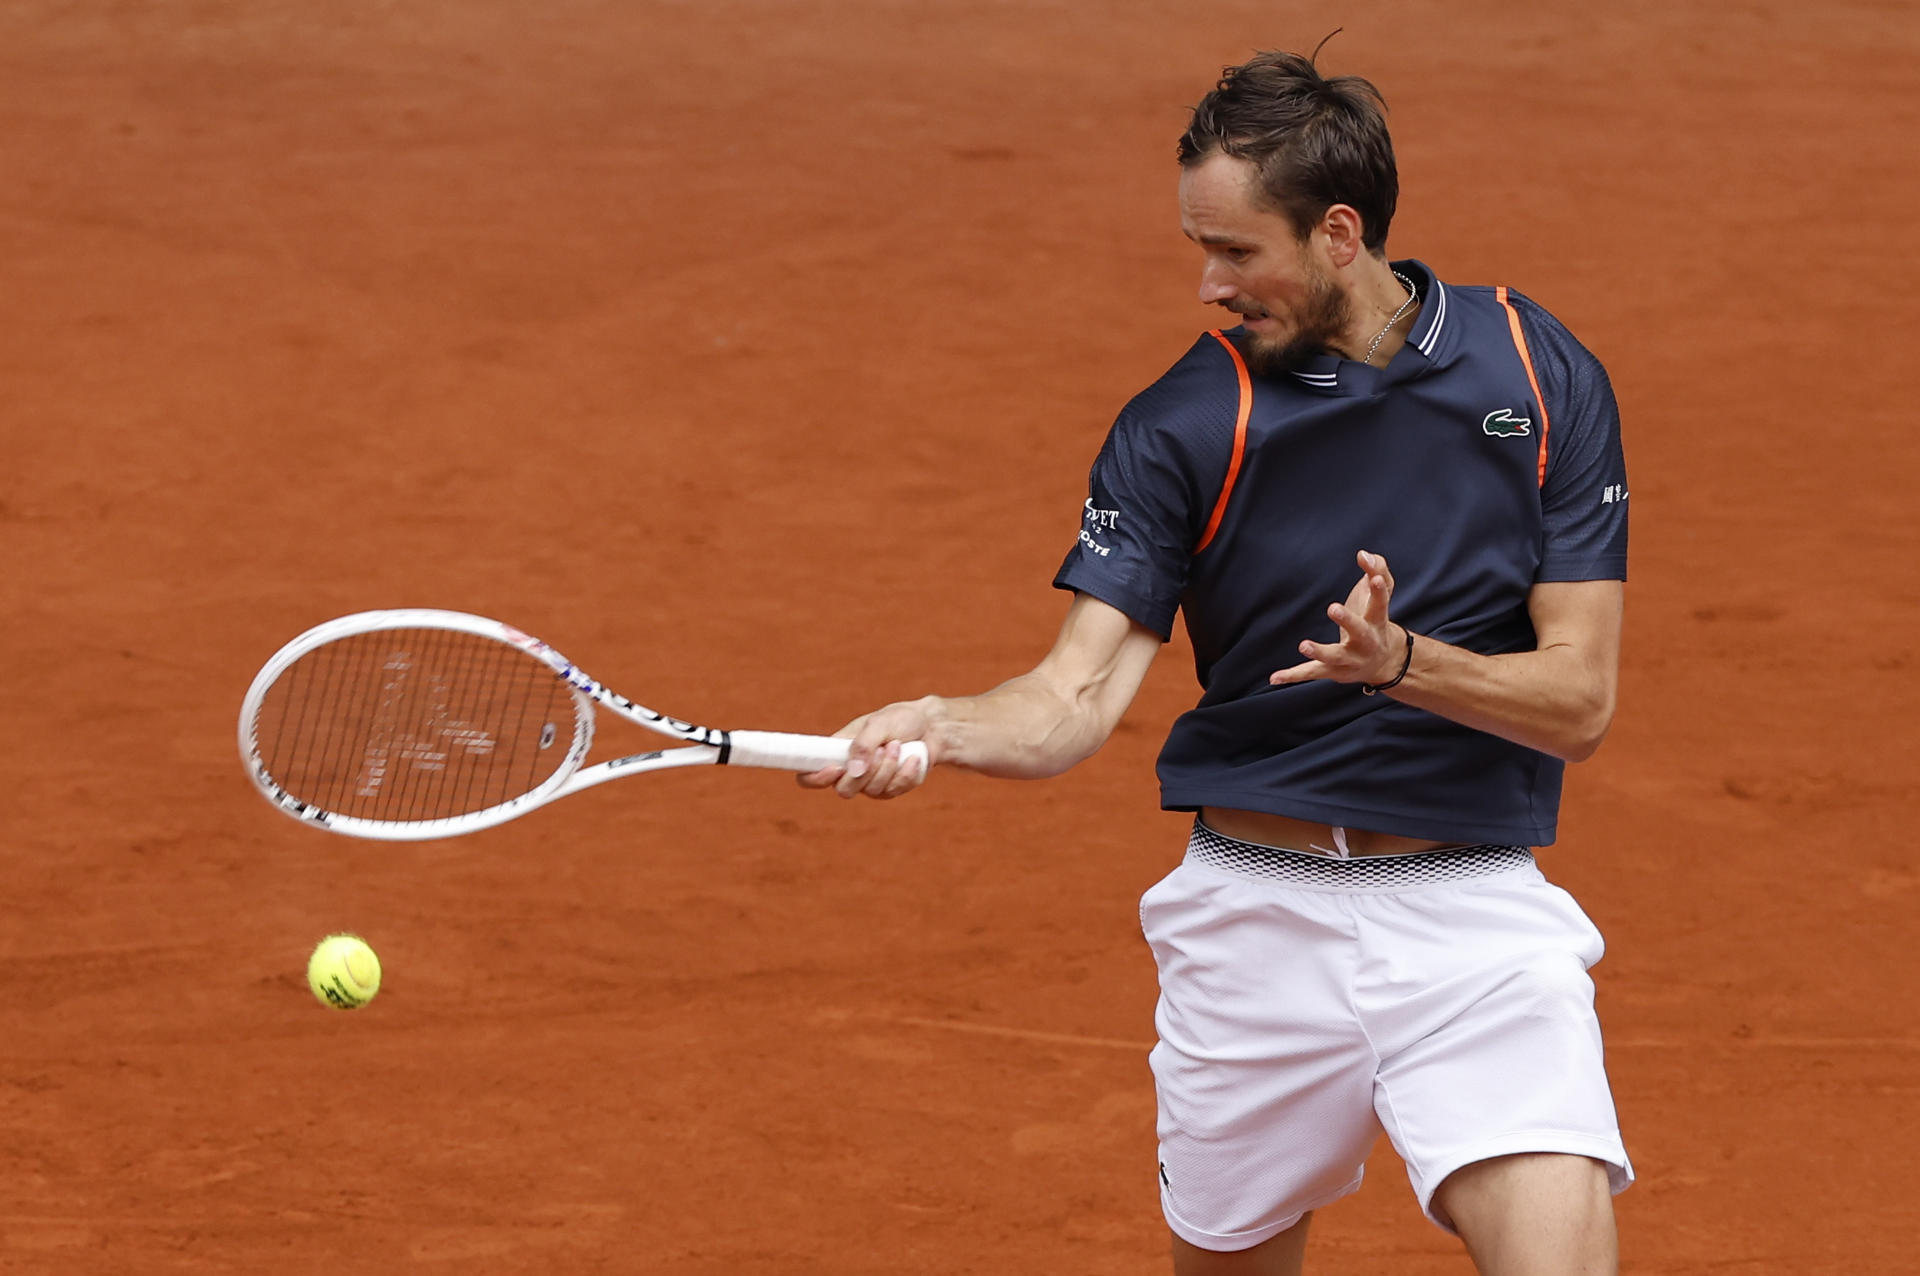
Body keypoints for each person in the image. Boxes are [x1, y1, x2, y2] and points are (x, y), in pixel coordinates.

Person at [801, 46, 1632, 1276]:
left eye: (1238, 251)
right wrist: (938, 722)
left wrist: (1401, 662)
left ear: (1339, 232)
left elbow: (1579, 701)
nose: (1208, 284)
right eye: (1201, 247)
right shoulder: (1183, 424)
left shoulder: (1535, 368)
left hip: (1474, 921)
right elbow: (1073, 696)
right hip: (1254, 922)